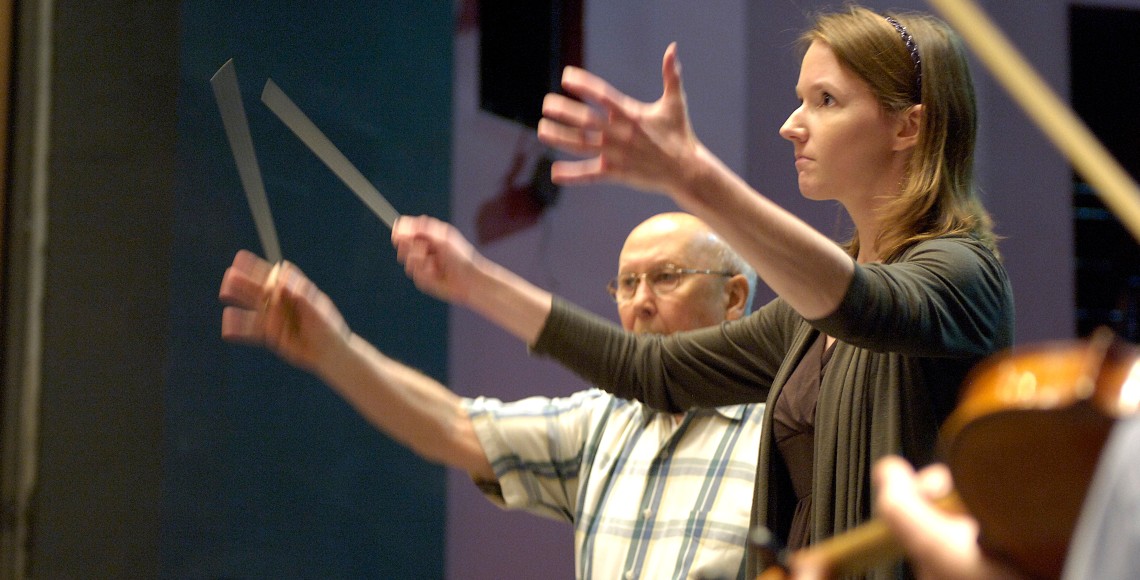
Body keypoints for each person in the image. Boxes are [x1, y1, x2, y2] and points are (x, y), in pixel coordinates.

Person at [392, 5, 1014, 578]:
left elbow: (860, 303)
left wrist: (692, 177)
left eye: (826, 101)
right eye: (800, 100)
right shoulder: (807, 320)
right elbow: (652, 369)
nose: (792, 125)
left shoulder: (962, 274)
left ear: (908, 127)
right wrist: (476, 282)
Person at [219, 212, 767, 579]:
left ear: (734, 297)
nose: (640, 302)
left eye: (666, 278)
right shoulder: (606, 423)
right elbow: (452, 426)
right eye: (626, 284)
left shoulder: (781, 427)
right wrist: (333, 350)